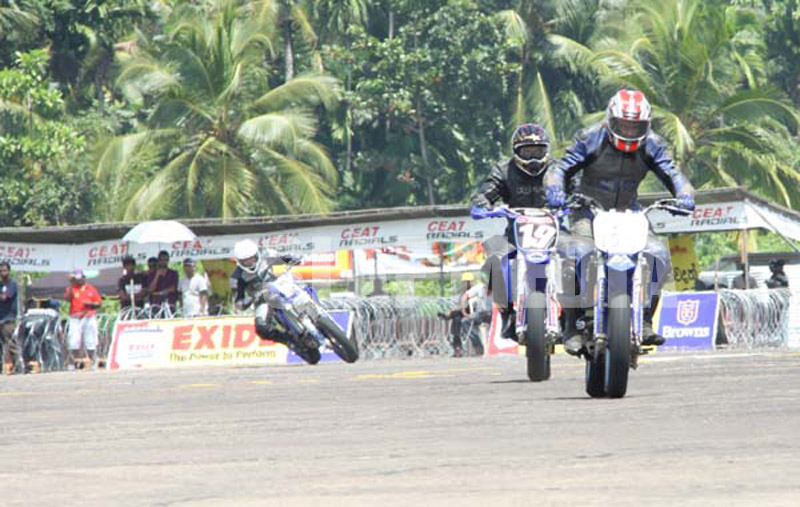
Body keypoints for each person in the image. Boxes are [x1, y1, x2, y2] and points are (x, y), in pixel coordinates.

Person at [545, 89, 696, 354]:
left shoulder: (653, 144)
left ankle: (646, 318)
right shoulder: (591, 137)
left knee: (658, 253)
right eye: (623, 124)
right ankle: (573, 323)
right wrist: (555, 188)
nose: (627, 130)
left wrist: (684, 194)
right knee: (578, 253)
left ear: (645, 125)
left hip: (629, 211)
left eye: (634, 125)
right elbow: (561, 168)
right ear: (610, 120)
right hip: (588, 209)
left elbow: (673, 174)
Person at [470, 123, 553, 340]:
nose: (533, 157)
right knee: (495, 260)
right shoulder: (504, 170)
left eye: (538, 151)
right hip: (516, 232)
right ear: (516, 151)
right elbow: (486, 192)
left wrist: (574, 199)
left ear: (546, 150)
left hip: (555, 231)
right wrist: (483, 204)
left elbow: (576, 186)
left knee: (577, 255)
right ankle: (507, 313)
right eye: (527, 151)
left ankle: (577, 317)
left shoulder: (556, 169)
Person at [230, 239, 301, 344]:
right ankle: (288, 340)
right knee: (261, 327)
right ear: (239, 261)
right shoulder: (236, 277)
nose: (249, 262)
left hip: (279, 286)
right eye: (245, 261)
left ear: (256, 254)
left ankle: (318, 313)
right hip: (261, 299)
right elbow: (238, 302)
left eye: (251, 258)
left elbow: (281, 258)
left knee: (304, 288)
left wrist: (293, 258)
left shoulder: (266, 256)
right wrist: (251, 299)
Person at [64, 270, 102, 368]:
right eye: (76, 279)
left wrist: (90, 304)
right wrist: (71, 284)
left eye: (80, 279)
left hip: (89, 316)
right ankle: (74, 362)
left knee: (90, 340)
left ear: (84, 278)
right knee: (73, 340)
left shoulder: (91, 289)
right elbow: (67, 299)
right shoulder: (73, 288)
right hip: (75, 317)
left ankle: (92, 361)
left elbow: (99, 303)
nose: (79, 281)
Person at [0, 262, 20, 374]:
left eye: (5, 270)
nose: (3, 273)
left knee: (11, 343)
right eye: (1, 271)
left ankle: (17, 367)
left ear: (9, 271)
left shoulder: (12, 284)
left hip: (8, 319)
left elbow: (5, 297)